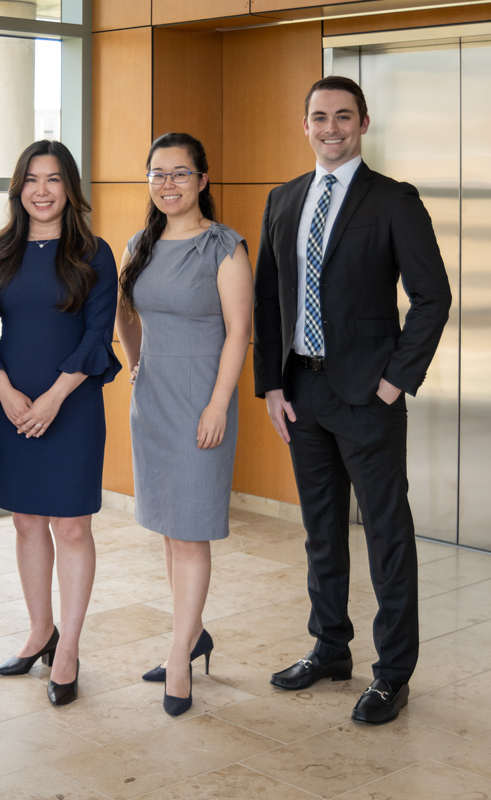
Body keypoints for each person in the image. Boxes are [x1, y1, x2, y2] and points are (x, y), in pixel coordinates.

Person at [253, 76, 452, 724]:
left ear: (363, 123)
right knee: (321, 531)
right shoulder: (283, 200)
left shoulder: (393, 200)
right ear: (303, 125)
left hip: (369, 395)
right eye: (319, 117)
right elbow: (267, 301)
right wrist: (272, 384)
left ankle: (392, 674)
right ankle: (330, 647)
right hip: (301, 391)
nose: (331, 128)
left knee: (388, 536)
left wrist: (395, 380)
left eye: (343, 117)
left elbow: (433, 297)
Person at [0, 140, 120, 707]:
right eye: (32, 179)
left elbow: (96, 335)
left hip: (72, 403)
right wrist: (6, 393)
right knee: (27, 523)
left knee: (73, 527)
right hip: (15, 405)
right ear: (20, 188)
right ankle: (40, 631)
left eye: (54, 180)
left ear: (69, 188)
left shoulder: (94, 253)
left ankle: (69, 648)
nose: (42, 190)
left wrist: (55, 397)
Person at [115, 133, 253, 717]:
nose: (167, 183)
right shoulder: (139, 244)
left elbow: (239, 331)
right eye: (157, 173)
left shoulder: (224, 247)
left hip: (203, 399)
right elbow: (123, 309)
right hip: (154, 398)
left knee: (191, 529)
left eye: (179, 173)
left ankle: (178, 657)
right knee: (171, 529)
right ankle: (191, 636)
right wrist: (135, 361)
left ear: (202, 180)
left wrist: (219, 403)